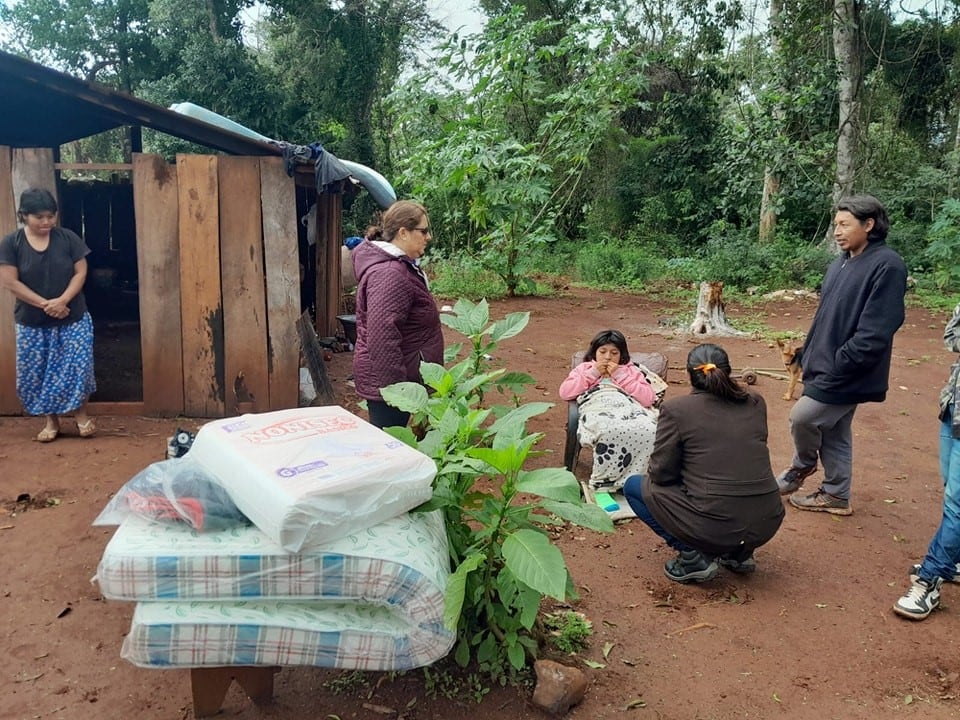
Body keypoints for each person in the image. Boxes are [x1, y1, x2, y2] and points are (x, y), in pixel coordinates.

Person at [776, 194, 907, 515]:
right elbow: (827, 317)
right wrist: (810, 357)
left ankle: (802, 465)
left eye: (844, 224)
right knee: (834, 432)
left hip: (849, 370)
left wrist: (840, 363)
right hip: (822, 365)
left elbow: (877, 330)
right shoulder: (841, 262)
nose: (837, 231)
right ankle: (836, 494)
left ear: (869, 225)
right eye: (836, 224)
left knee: (802, 416)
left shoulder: (887, 265)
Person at [622, 343, 785, 584]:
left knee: (635, 487)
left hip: (715, 522)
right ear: (727, 371)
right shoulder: (755, 402)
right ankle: (738, 554)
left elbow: (661, 474)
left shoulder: (677, 409)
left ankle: (692, 555)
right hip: (767, 520)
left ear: (690, 375)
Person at [0, 188, 96, 442]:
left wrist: (63, 300)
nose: (46, 222)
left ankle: (81, 415)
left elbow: (80, 272)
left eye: (51, 216)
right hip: (33, 322)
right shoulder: (11, 243)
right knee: (39, 371)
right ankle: (51, 422)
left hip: (72, 315)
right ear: (24, 215)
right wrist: (46, 304)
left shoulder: (68, 238)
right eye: (39, 217)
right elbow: (9, 281)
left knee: (78, 366)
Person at [893, 302, 960, 620]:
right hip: (955, 408)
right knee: (951, 488)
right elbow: (952, 336)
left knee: (957, 504)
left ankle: (929, 581)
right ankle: (953, 560)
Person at [351, 200, 443, 429]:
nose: (428, 237)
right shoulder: (390, 273)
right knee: (392, 453)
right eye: (423, 231)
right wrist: (401, 395)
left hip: (397, 383)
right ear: (403, 232)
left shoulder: (398, 267)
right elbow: (382, 339)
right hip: (392, 390)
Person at [559, 329, 661, 490]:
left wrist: (620, 375)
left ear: (621, 355)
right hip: (598, 406)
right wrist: (593, 373)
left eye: (614, 353)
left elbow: (648, 398)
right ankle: (604, 483)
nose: (607, 357)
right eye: (603, 352)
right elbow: (565, 392)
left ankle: (634, 481)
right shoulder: (584, 368)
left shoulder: (631, 370)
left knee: (650, 429)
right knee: (606, 429)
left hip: (628, 407)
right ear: (595, 352)